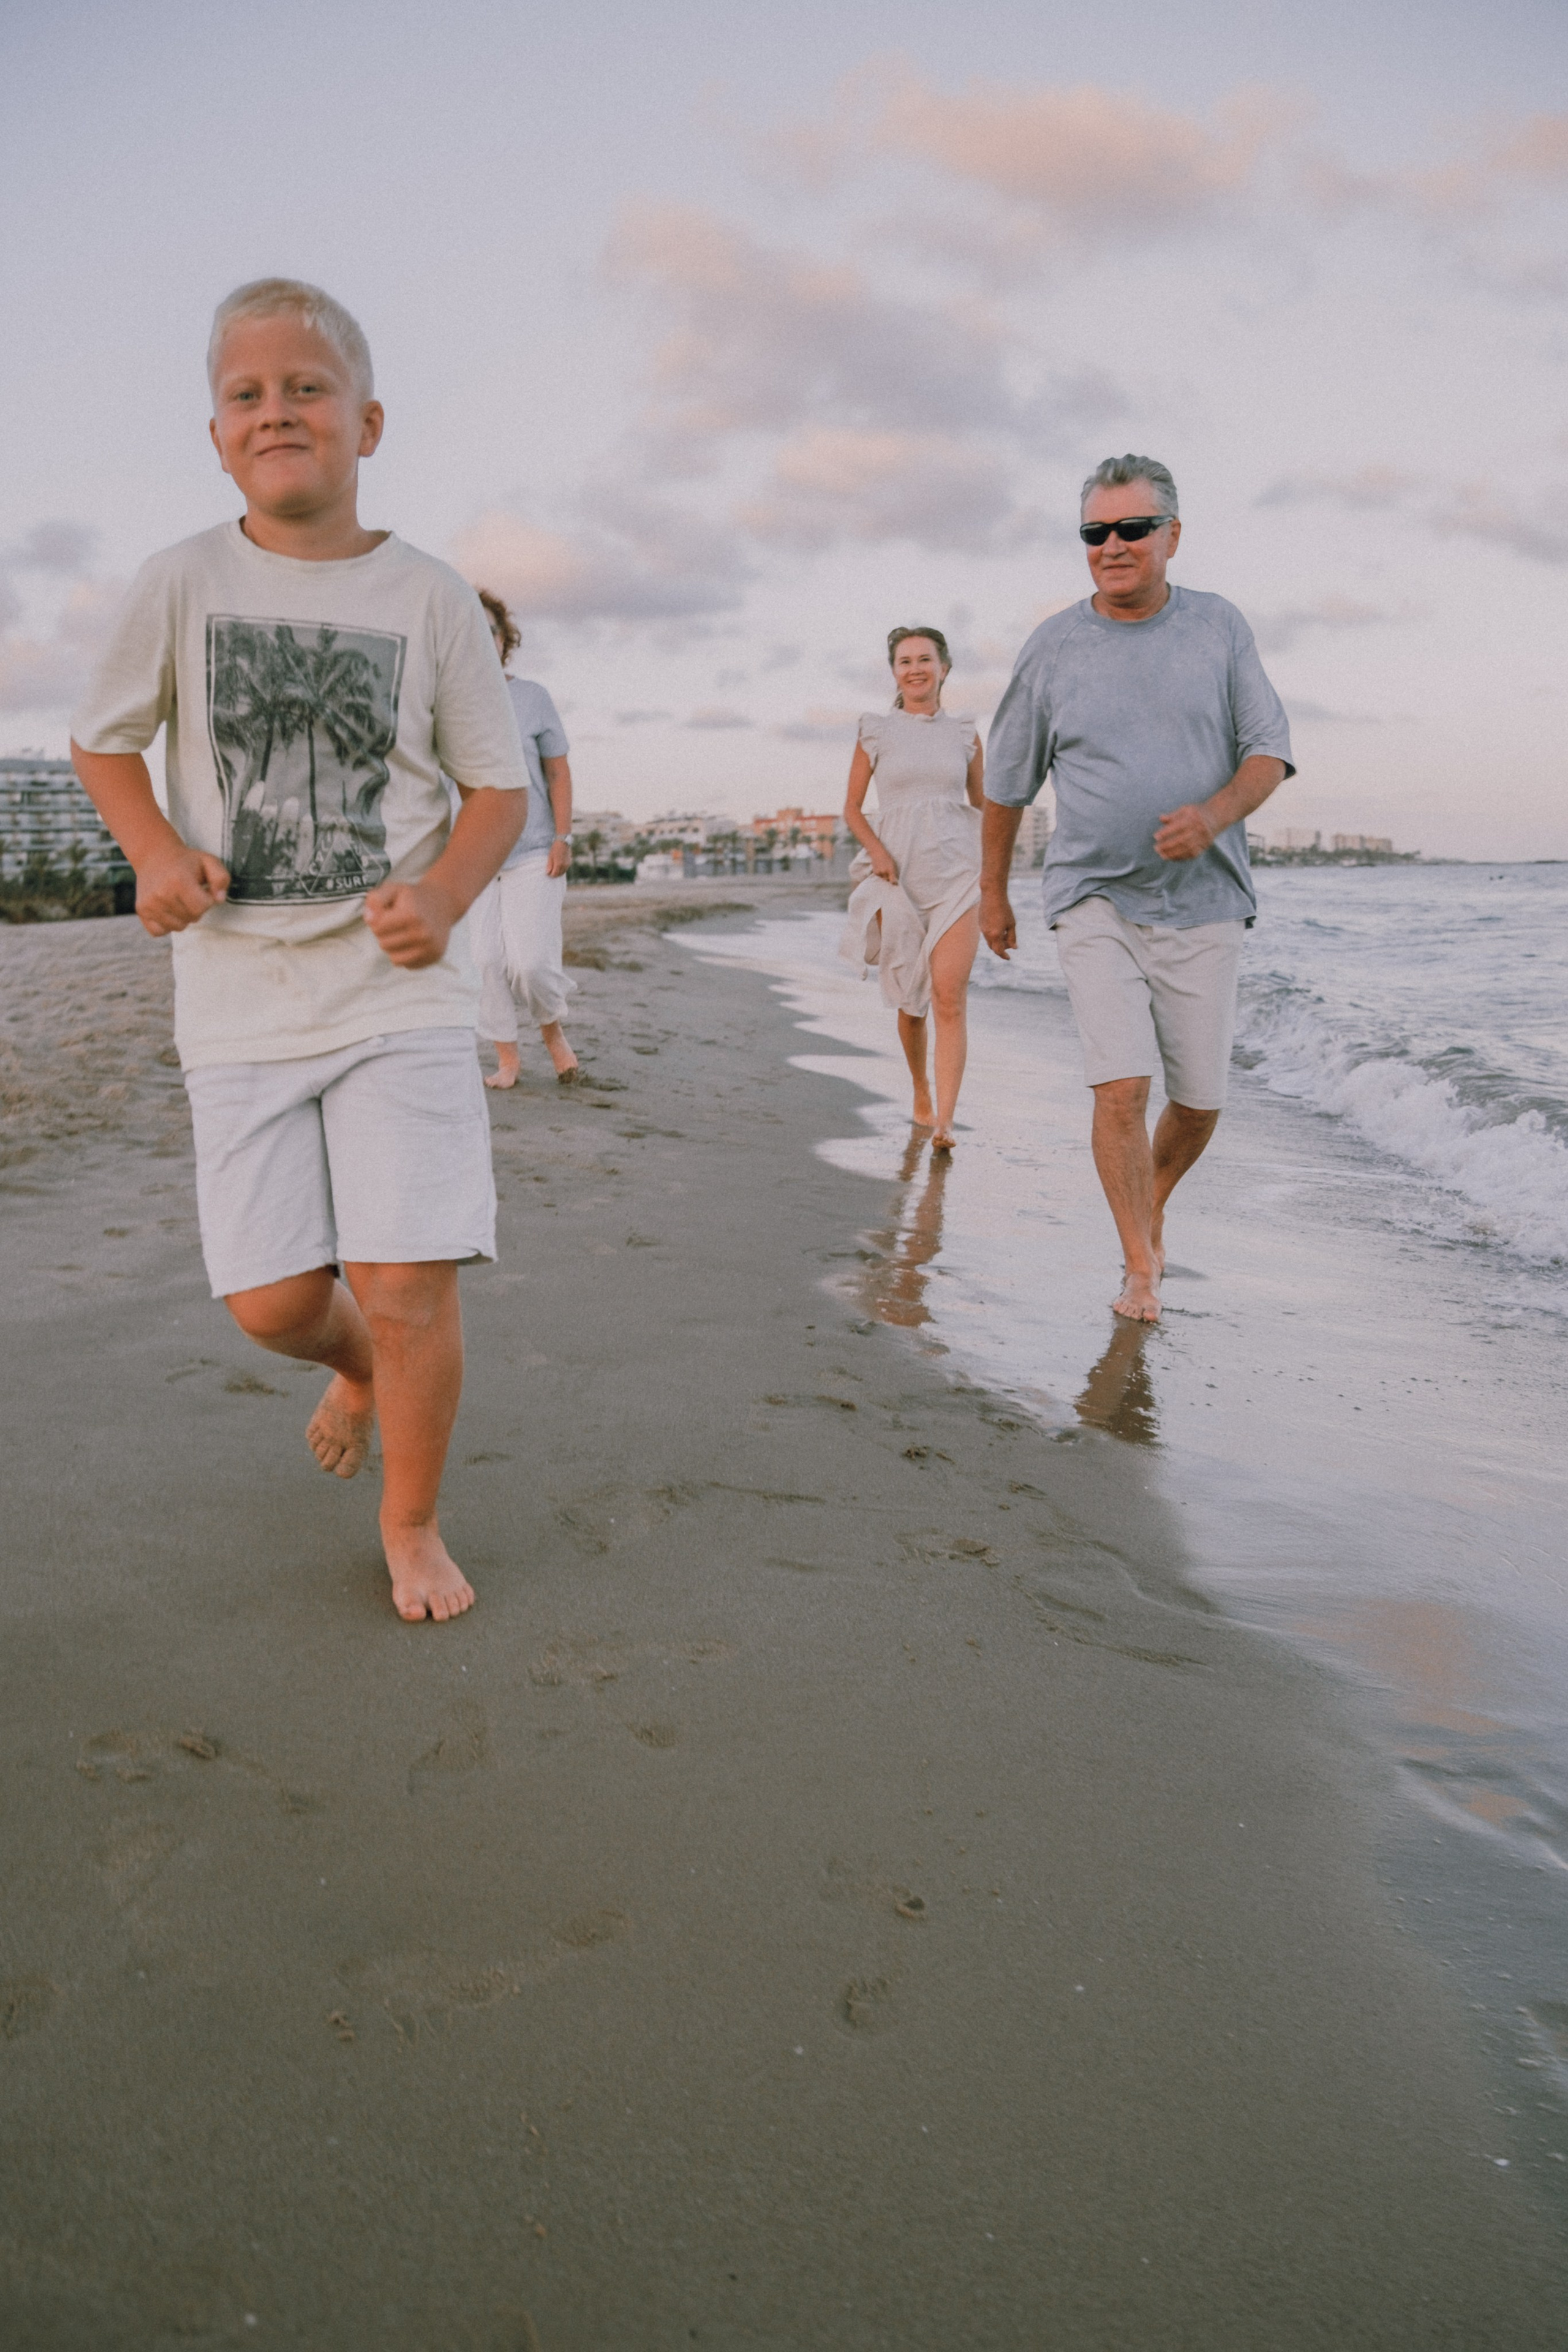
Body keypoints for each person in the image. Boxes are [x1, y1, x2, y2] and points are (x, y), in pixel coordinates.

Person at [69, 277, 530, 1623]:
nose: (277, 411)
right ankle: (358, 1367)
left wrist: (443, 895)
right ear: (217, 435)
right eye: (247, 395)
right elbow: (104, 741)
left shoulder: (431, 597)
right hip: (238, 996)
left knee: (405, 1276)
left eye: (306, 388)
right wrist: (154, 854)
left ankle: (412, 1520)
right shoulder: (179, 583)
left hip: (401, 992)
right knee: (273, 1302)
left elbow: (494, 791)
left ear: (367, 420)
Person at [981, 454, 1293, 1324]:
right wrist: (994, 893)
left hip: (1206, 903)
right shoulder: (1051, 648)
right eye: (1095, 533)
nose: (1112, 547)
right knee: (1121, 1086)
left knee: (1197, 1104)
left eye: (1131, 529)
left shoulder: (1219, 629)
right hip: (1093, 897)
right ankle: (1139, 1270)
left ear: (1172, 536)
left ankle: (1147, 1209)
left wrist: (1216, 815)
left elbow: (1268, 751)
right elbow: (1007, 784)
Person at [840, 627, 984, 1150]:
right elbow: (852, 808)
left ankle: (944, 1120)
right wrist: (877, 853)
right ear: (895, 671)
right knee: (911, 1003)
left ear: (945, 668)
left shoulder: (965, 732)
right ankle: (920, 1089)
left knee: (950, 998)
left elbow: (985, 806)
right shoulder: (876, 730)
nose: (916, 668)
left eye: (926, 659)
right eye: (905, 661)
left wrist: (994, 873)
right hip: (896, 877)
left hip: (957, 877)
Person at [469, 590, 579, 1087]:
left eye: (489, 630)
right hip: (471, 855)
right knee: (486, 962)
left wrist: (563, 836)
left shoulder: (532, 697)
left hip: (534, 848)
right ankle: (508, 1060)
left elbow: (557, 773)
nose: (481, 638)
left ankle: (552, 1032)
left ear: (503, 639)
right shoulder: (440, 700)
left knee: (530, 963)